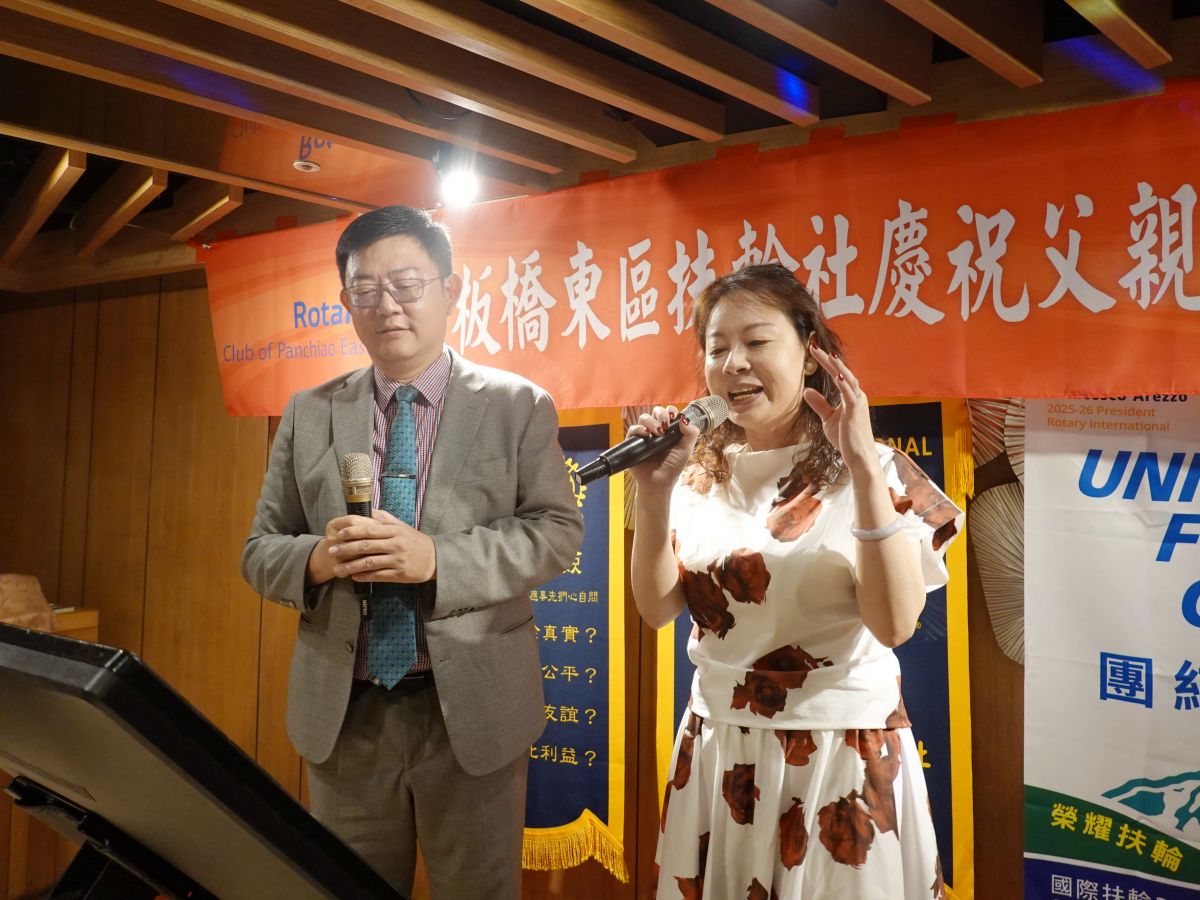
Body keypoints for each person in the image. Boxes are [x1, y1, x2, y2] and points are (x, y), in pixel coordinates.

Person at [241, 205, 583, 898]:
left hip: (473, 713)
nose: (386, 305)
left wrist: (437, 561)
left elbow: (556, 531)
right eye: (365, 289)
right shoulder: (310, 411)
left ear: (450, 290)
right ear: (346, 302)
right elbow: (259, 549)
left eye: (405, 284)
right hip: (346, 713)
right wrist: (317, 560)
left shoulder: (516, 404)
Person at [628, 264, 962, 898]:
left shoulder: (876, 467)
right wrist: (653, 490)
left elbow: (895, 624)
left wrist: (862, 466)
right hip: (719, 747)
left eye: (756, 342)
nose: (734, 363)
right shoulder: (697, 474)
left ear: (810, 354)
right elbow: (657, 609)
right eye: (717, 348)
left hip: (839, 754)